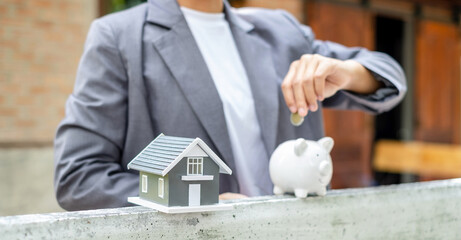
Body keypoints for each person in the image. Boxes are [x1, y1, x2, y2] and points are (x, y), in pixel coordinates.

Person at [54, 0, 406, 211]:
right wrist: (195, 203)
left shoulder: (279, 30)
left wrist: (346, 72)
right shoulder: (119, 38)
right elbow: (79, 177)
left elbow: (390, 79)